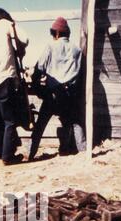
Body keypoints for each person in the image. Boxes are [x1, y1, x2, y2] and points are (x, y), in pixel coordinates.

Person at [29, 17, 86, 161]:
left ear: (56, 34)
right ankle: (83, 153)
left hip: (53, 94)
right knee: (74, 123)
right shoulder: (78, 50)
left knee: (40, 125)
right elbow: (80, 74)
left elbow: (38, 69)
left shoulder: (50, 46)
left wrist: (38, 89)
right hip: (69, 95)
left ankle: (30, 153)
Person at [0, 7, 29, 165]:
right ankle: (7, 157)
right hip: (3, 80)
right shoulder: (5, 24)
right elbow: (26, 38)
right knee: (10, 120)